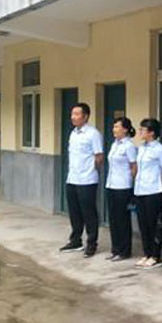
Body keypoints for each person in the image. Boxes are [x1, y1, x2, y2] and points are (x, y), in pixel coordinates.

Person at [59, 103, 104, 258]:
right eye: (72, 114)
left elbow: (99, 157)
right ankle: (75, 241)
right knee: (74, 212)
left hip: (87, 180)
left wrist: (90, 170)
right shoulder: (73, 133)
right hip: (72, 178)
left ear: (85, 116)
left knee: (89, 213)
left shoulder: (93, 134)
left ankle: (92, 243)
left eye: (77, 114)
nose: (73, 117)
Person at [133, 118, 162, 270]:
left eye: (143, 130)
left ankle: (155, 256)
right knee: (143, 224)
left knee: (153, 224)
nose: (140, 132)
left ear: (152, 133)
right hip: (140, 190)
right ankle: (147, 253)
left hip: (153, 191)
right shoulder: (141, 148)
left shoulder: (160, 150)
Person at [105, 116, 137, 262]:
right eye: (114, 126)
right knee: (113, 219)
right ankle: (115, 249)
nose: (114, 129)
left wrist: (131, 183)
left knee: (122, 220)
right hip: (111, 185)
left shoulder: (128, 146)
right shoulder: (114, 144)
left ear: (125, 129)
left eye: (117, 127)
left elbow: (134, 166)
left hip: (123, 187)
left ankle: (124, 251)